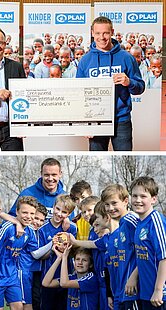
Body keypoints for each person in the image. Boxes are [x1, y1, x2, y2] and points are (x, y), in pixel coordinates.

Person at [76, 16, 145, 151]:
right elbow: (79, 95)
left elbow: (140, 88)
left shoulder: (126, 58)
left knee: (124, 159)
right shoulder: (85, 61)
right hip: (95, 120)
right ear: (92, 33)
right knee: (96, 162)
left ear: (112, 32)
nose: (102, 37)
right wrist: (84, 124)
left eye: (105, 33)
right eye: (97, 33)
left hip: (121, 120)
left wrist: (129, 82)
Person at [70, 184, 140, 310]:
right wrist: (73, 241)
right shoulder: (109, 238)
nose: (110, 208)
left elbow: (145, 249)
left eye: (114, 203)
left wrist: (133, 277)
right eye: (107, 205)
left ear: (125, 201)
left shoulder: (131, 219)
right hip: (117, 291)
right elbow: (92, 244)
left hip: (131, 290)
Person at [0, 196, 40, 310]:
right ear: (17, 212)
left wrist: (53, 244)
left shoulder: (30, 231)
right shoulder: (7, 227)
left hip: (12, 276)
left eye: (32, 213)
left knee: (18, 307)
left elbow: (36, 253)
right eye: (25, 212)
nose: (28, 216)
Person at [36, 195, 78, 310]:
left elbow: (74, 253)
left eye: (64, 212)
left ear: (69, 214)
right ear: (53, 207)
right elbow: (40, 256)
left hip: (66, 277)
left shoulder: (72, 229)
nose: (59, 214)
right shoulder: (42, 229)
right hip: (48, 278)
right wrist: (53, 248)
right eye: (57, 209)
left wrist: (66, 248)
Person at [130, 177, 166, 309]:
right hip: (146, 293)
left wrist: (158, 289)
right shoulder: (139, 223)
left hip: (160, 296)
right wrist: (133, 277)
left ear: (153, 199)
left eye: (143, 196)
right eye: (134, 196)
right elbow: (146, 255)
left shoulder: (156, 221)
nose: (137, 200)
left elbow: (164, 258)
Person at [42, 244, 99, 310]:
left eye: (84, 260)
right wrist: (59, 258)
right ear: (74, 262)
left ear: (90, 264)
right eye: (77, 259)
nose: (80, 262)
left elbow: (64, 283)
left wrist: (65, 257)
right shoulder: (72, 277)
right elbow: (46, 283)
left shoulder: (91, 278)